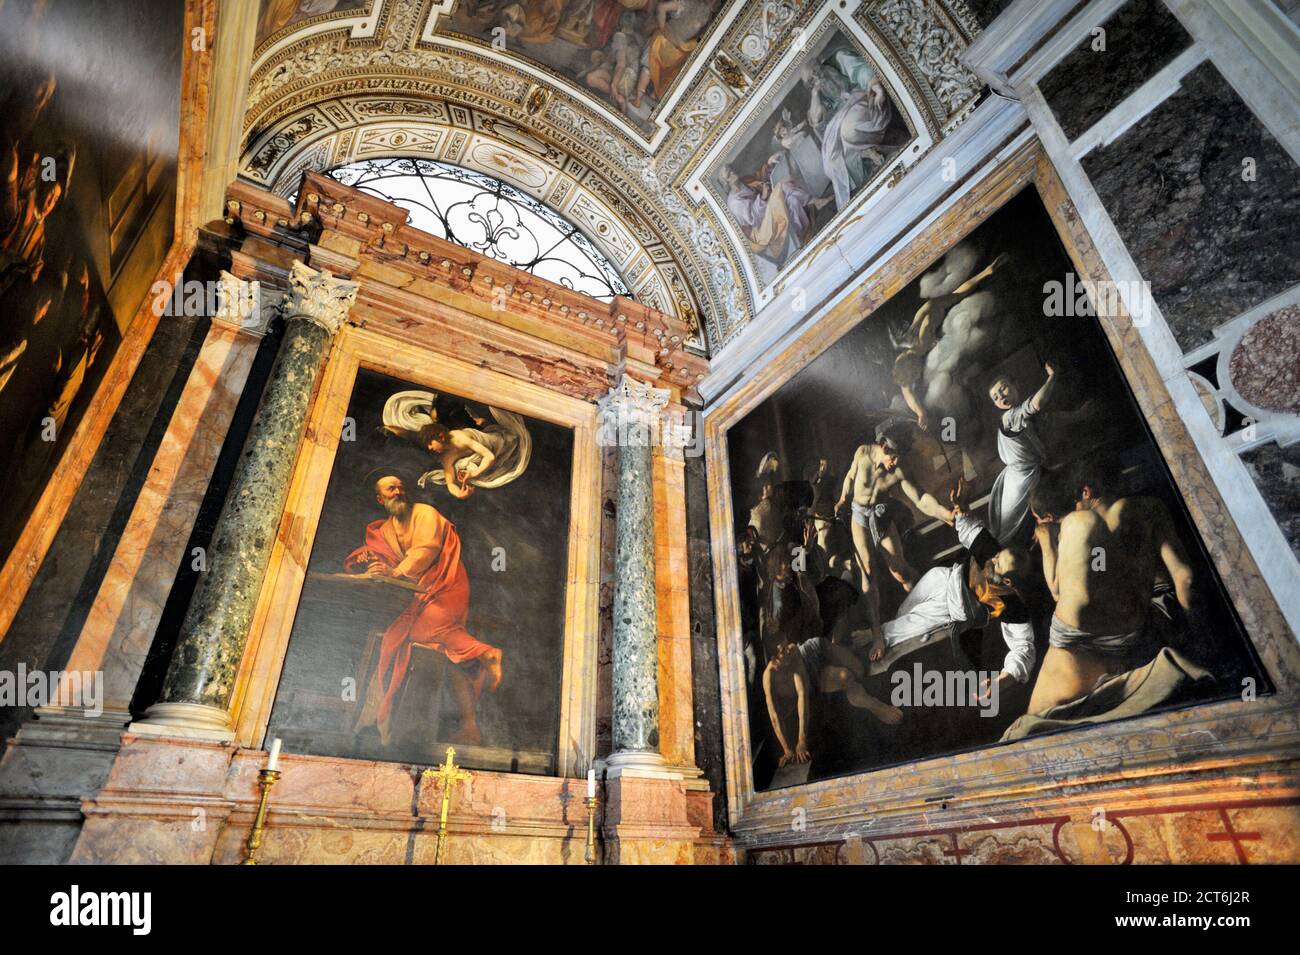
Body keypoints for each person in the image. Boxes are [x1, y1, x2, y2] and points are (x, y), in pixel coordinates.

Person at [346, 474, 503, 745]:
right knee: (440, 648)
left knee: (417, 634)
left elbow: (425, 551)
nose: (398, 491)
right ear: (380, 498)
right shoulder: (384, 529)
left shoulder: (424, 513)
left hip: (447, 583)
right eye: (390, 488)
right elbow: (383, 556)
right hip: (419, 592)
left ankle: (485, 652)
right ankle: (467, 722)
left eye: (400, 487)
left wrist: (395, 571)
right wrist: (371, 561)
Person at [1025, 467, 1196, 715]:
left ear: (1086, 492)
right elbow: (1185, 578)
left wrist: (1045, 542)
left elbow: (1058, 590)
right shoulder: (1148, 508)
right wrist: (1196, 633)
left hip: (1093, 635)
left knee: (1034, 722)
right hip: (1139, 624)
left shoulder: (1079, 526)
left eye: (1041, 518)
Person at [868, 490, 1037, 706]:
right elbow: (969, 527)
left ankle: (870, 659)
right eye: (996, 556)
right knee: (902, 615)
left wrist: (1004, 680)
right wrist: (962, 506)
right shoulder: (992, 553)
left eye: (997, 564)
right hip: (939, 579)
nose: (992, 559)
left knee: (895, 633)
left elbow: (1024, 648)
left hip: (947, 609)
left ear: (1007, 583)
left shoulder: (1012, 607)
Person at [834, 419, 953, 660]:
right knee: (867, 573)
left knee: (900, 572)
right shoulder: (863, 453)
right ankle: (878, 635)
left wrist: (946, 514)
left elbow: (921, 499)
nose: (897, 462)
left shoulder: (899, 470)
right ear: (884, 448)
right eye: (894, 456)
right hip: (858, 517)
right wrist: (842, 499)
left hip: (881, 515)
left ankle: (928, 615)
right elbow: (849, 477)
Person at [381, 389, 531, 497]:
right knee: (463, 466)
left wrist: (475, 473)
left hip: (499, 444)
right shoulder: (446, 458)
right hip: (483, 450)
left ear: (441, 436)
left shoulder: (460, 437)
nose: (429, 448)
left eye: (430, 443)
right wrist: (459, 493)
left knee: (511, 442)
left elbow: (489, 456)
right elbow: (450, 482)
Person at [986, 360, 1057, 541]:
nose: (1001, 397)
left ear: (1015, 384)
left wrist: (1079, 415)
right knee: (1012, 529)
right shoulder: (1009, 418)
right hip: (1019, 480)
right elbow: (1037, 403)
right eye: (995, 397)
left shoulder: (1021, 414)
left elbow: (1052, 418)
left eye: (1003, 389)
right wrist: (1052, 377)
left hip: (1029, 473)